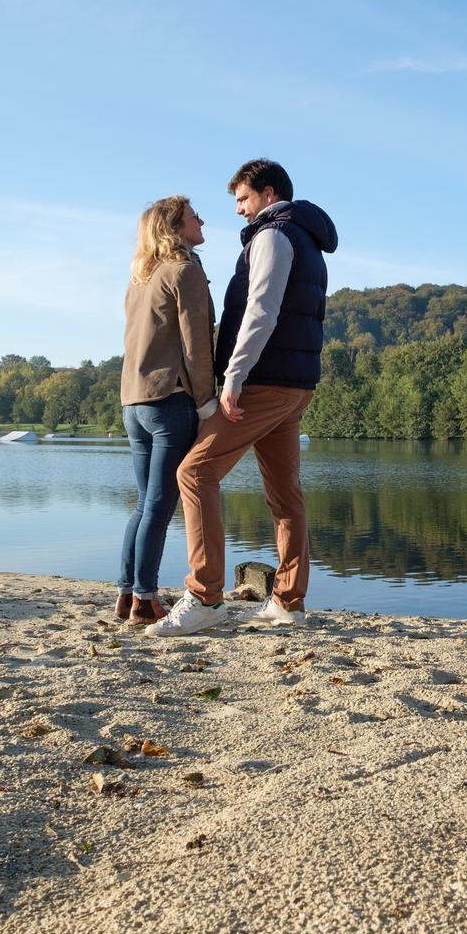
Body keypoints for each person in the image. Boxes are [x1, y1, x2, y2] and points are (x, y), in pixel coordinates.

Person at [146, 158, 336, 636]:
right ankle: (288, 602)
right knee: (285, 495)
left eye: (243, 200)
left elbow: (262, 312)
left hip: (265, 381)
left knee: (194, 472)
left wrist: (232, 377)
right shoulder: (307, 238)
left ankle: (205, 596)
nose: (237, 211)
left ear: (268, 194)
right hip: (296, 383)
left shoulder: (273, 235)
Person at [115, 196, 217, 628]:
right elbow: (197, 345)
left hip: (132, 403)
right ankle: (144, 599)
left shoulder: (141, 277)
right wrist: (207, 400)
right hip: (169, 400)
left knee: (145, 504)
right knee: (160, 503)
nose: (202, 221)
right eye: (195, 217)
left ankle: (126, 593)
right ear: (175, 227)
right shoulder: (184, 271)